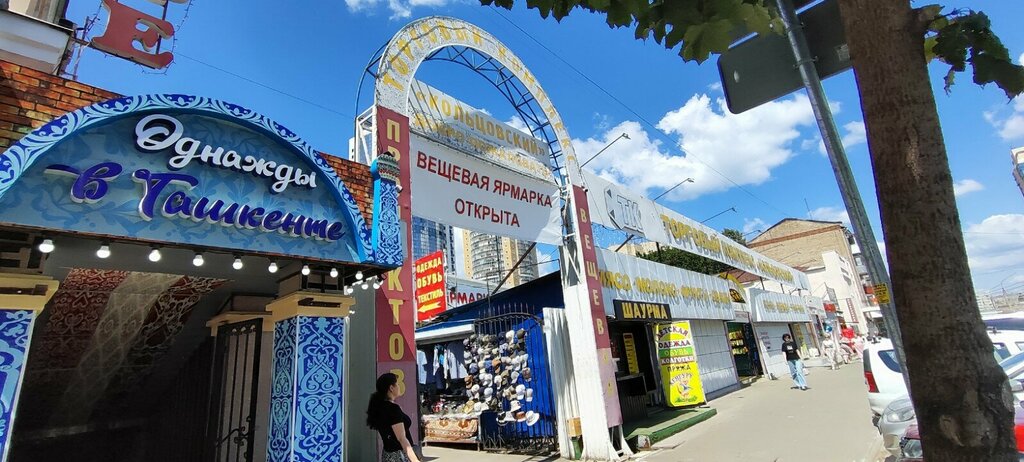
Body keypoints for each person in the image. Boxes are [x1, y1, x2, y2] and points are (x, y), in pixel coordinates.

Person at [367, 373, 420, 462]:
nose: (399, 387)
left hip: (388, 454)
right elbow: (401, 438)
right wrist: (415, 460)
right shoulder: (393, 409)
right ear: (391, 388)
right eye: (398, 384)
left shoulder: (380, 407)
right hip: (398, 456)